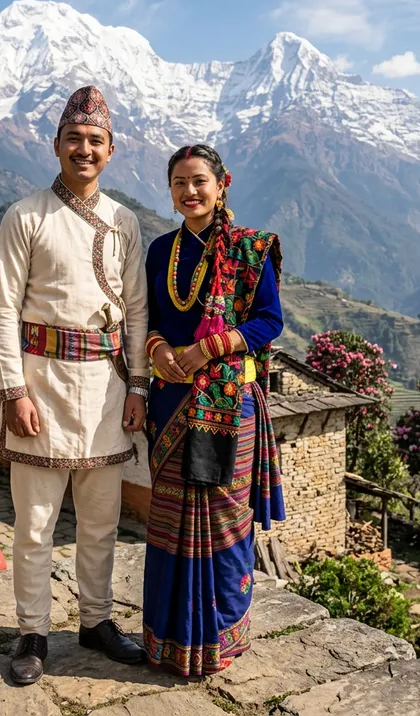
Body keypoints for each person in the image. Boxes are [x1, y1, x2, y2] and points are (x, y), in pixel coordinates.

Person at [0, 86, 150, 685]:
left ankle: (96, 622)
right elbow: (4, 309)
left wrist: (138, 387)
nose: (84, 150)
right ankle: (33, 631)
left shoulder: (124, 220)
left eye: (95, 141)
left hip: (107, 391)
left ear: (111, 151)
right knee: (33, 525)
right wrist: (13, 391)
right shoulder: (26, 216)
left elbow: (136, 311)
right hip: (41, 387)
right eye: (74, 140)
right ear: (56, 145)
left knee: (101, 520)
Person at [142, 144, 286, 677]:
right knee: (169, 525)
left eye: (199, 180)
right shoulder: (160, 251)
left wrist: (210, 347)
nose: (189, 191)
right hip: (171, 403)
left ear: (222, 184)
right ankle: (168, 643)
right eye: (179, 182)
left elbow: (269, 322)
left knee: (225, 526)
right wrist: (158, 350)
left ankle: (221, 638)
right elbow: (151, 317)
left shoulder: (252, 249)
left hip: (230, 408)